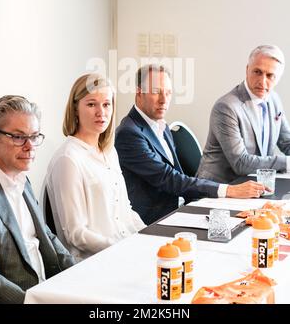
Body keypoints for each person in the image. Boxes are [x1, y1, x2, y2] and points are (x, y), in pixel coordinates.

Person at [115, 64, 265, 225]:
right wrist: (229, 190)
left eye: (168, 92)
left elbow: (177, 174)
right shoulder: (129, 133)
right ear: (139, 93)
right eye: (156, 92)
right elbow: (168, 178)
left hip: (180, 208)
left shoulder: (161, 125)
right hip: (154, 221)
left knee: (248, 220)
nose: (164, 100)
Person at [46, 74, 145, 261]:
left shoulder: (109, 152)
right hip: (94, 262)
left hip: (124, 252)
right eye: (91, 104)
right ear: (75, 109)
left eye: (107, 104)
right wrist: (122, 248)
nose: (101, 112)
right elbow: (76, 233)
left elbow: (126, 211)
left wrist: (149, 237)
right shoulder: (68, 159)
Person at [0, 95, 75, 304]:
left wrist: (80, 274)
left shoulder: (22, 179)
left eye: (34, 136)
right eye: (18, 137)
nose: (29, 146)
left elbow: (46, 236)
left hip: (47, 290)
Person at [197, 44, 290, 184]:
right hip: (219, 189)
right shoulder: (226, 107)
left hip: (255, 186)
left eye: (270, 75)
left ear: (278, 78)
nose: (262, 81)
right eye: (257, 72)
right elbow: (241, 162)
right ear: (247, 70)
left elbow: (286, 142)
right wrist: (287, 163)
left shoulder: (274, 99)